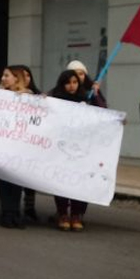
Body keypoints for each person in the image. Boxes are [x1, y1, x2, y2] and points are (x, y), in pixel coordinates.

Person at [49, 70, 90, 231]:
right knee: (61, 180)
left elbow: (103, 114)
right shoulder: (55, 101)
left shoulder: (86, 100)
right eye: (68, 82)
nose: (72, 86)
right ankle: (62, 213)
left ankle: (76, 214)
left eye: (75, 82)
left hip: (80, 149)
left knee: (78, 181)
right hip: (61, 148)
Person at [0, 66, 35, 229]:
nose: (4, 78)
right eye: (3, 75)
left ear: (16, 79)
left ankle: (15, 212)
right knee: (4, 180)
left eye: (7, 75)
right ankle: (7, 213)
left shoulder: (28, 96)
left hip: (20, 146)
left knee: (16, 180)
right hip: (3, 145)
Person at [8, 64, 40, 222]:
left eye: (28, 76)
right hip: (12, 142)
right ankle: (12, 210)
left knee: (29, 177)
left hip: (30, 143)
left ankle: (29, 207)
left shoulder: (37, 96)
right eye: (23, 75)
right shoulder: (6, 94)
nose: (26, 78)